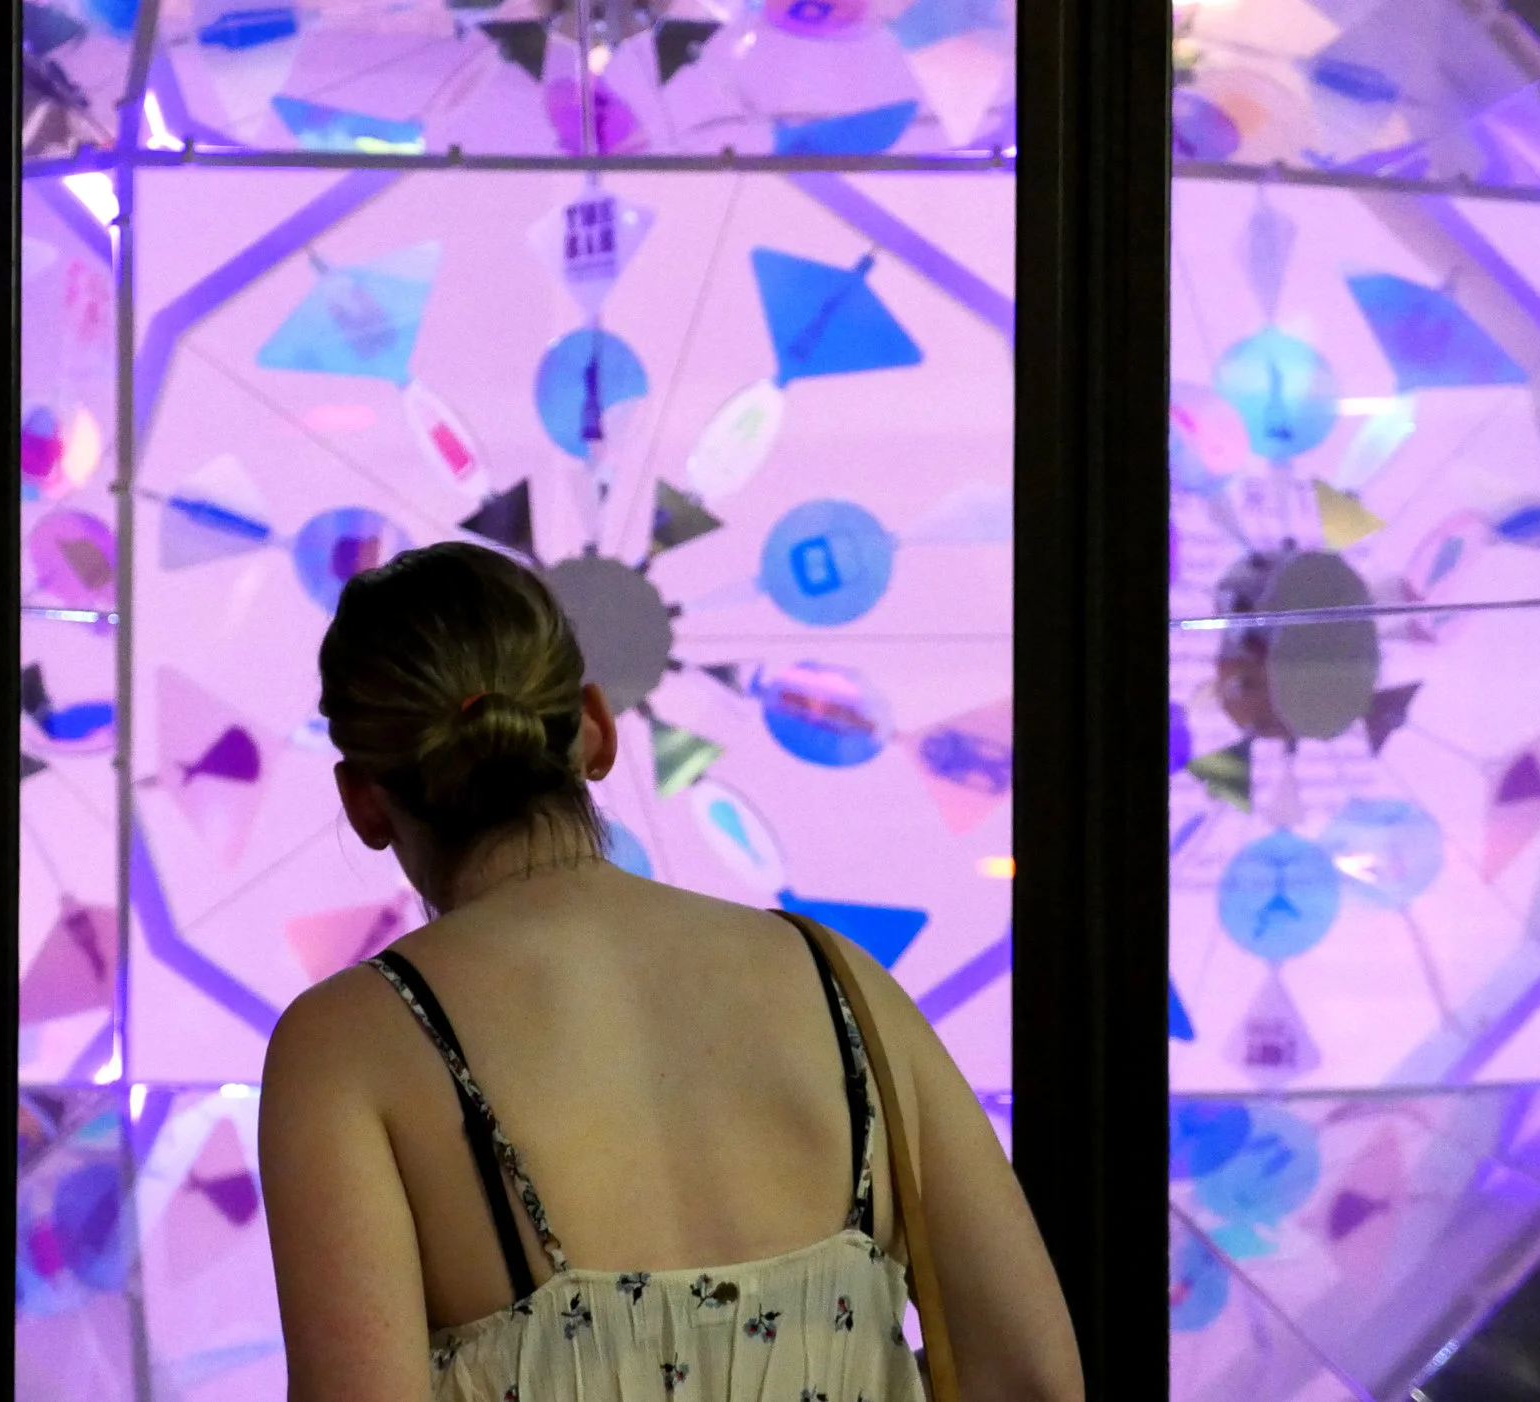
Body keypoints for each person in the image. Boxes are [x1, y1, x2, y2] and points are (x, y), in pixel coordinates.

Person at [260, 542, 1082, 1402]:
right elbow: (1032, 1379)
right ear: (594, 728)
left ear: (362, 800)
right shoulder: (840, 982)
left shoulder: (350, 1049)